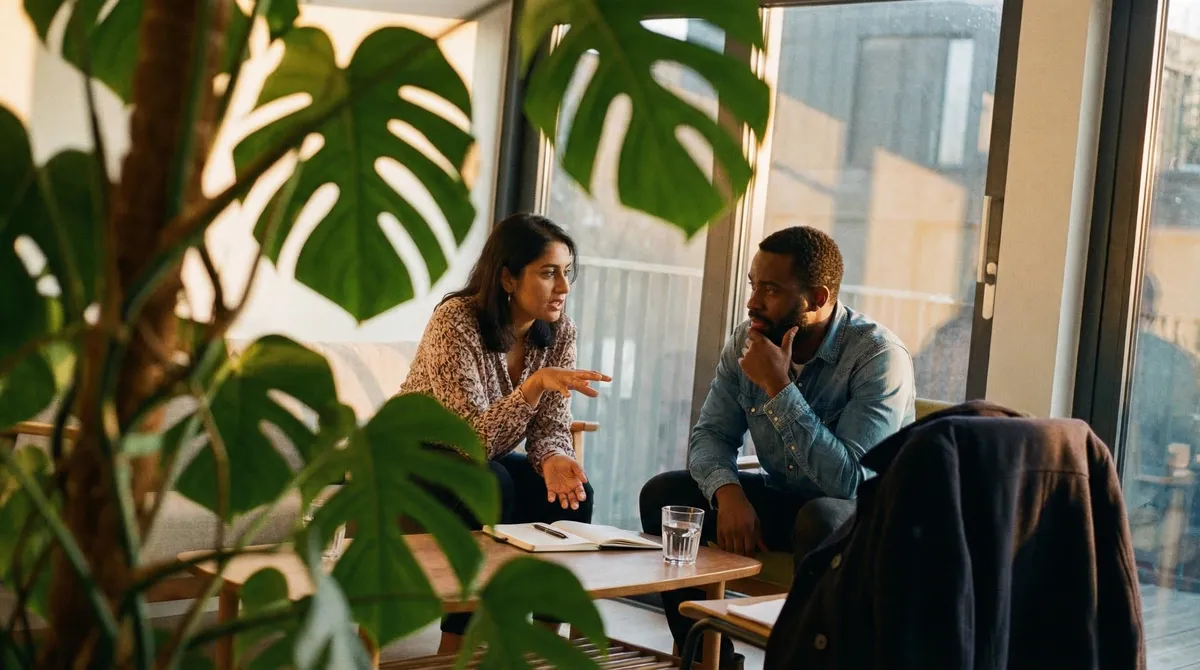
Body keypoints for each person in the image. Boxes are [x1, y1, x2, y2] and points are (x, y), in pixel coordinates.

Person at [639, 226, 915, 668]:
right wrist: (727, 493)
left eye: (770, 290)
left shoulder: (877, 357)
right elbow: (710, 435)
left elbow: (849, 482)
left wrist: (778, 386)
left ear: (818, 298)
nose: (752, 302)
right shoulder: (746, 340)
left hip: (861, 519)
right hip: (787, 502)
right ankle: (712, 661)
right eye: (753, 285)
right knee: (664, 494)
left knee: (820, 516)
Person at [400, 212, 611, 653]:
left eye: (567, 273)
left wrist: (554, 458)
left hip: (477, 458)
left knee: (573, 492)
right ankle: (459, 646)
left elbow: (552, 425)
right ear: (508, 279)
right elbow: (470, 440)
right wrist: (533, 386)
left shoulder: (559, 331)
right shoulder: (455, 320)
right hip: (412, 457)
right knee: (490, 483)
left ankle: (544, 646)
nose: (564, 288)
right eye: (549, 273)